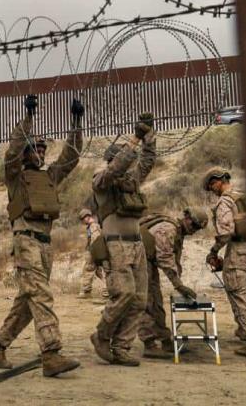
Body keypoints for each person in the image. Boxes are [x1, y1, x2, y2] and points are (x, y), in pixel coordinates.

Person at [0, 94, 83, 377]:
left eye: (42, 149)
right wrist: (28, 119)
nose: (40, 153)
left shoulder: (50, 176)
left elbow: (71, 157)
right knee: (41, 295)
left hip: (44, 243)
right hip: (25, 240)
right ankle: (51, 353)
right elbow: (12, 152)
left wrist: (77, 122)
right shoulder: (15, 176)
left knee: (28, 302)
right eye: (35, 149)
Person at [88, 113, 157, 366]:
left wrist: (149, 136)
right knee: (124, 294)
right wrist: (134, 139)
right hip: (115, 245)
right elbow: (117, 167)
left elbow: (148, 162)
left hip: (136, 244)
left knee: (139, 299)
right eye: (121, 161)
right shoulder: (102, 182)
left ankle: (122, 347)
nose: (128, 166)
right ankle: (102, 335)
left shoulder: (131, 181)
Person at [203, 167, 246, 358]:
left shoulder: (224, 202)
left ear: (217, 181)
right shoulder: (244, 198)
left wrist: (213, 251)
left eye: (211, 186)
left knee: (237, 293)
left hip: (239, 251)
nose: (212, 190)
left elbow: (225, 233)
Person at [138, 207, 208, 357]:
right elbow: (164, 257)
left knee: (156, 302)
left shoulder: (178, 232)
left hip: (148, 262)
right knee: (147, 302)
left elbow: (174, 260)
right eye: (194, 225)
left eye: (197, 228)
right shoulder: (169, 229)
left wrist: (179, 282)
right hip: (139, 261)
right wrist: (178, 285)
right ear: (187, 218)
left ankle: (165, 341)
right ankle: (149, 344)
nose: (194, 229)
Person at [77, 208, 108, 301]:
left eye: (83, 219)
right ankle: (106, 291)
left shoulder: (93, 226)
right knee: (100, 272)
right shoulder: (95, 225)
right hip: (99, 252)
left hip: (95, 252)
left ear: (85, 217)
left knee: (88, 270)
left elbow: (95, 240)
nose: (83, 222)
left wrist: (93, 253)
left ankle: (87, 291)